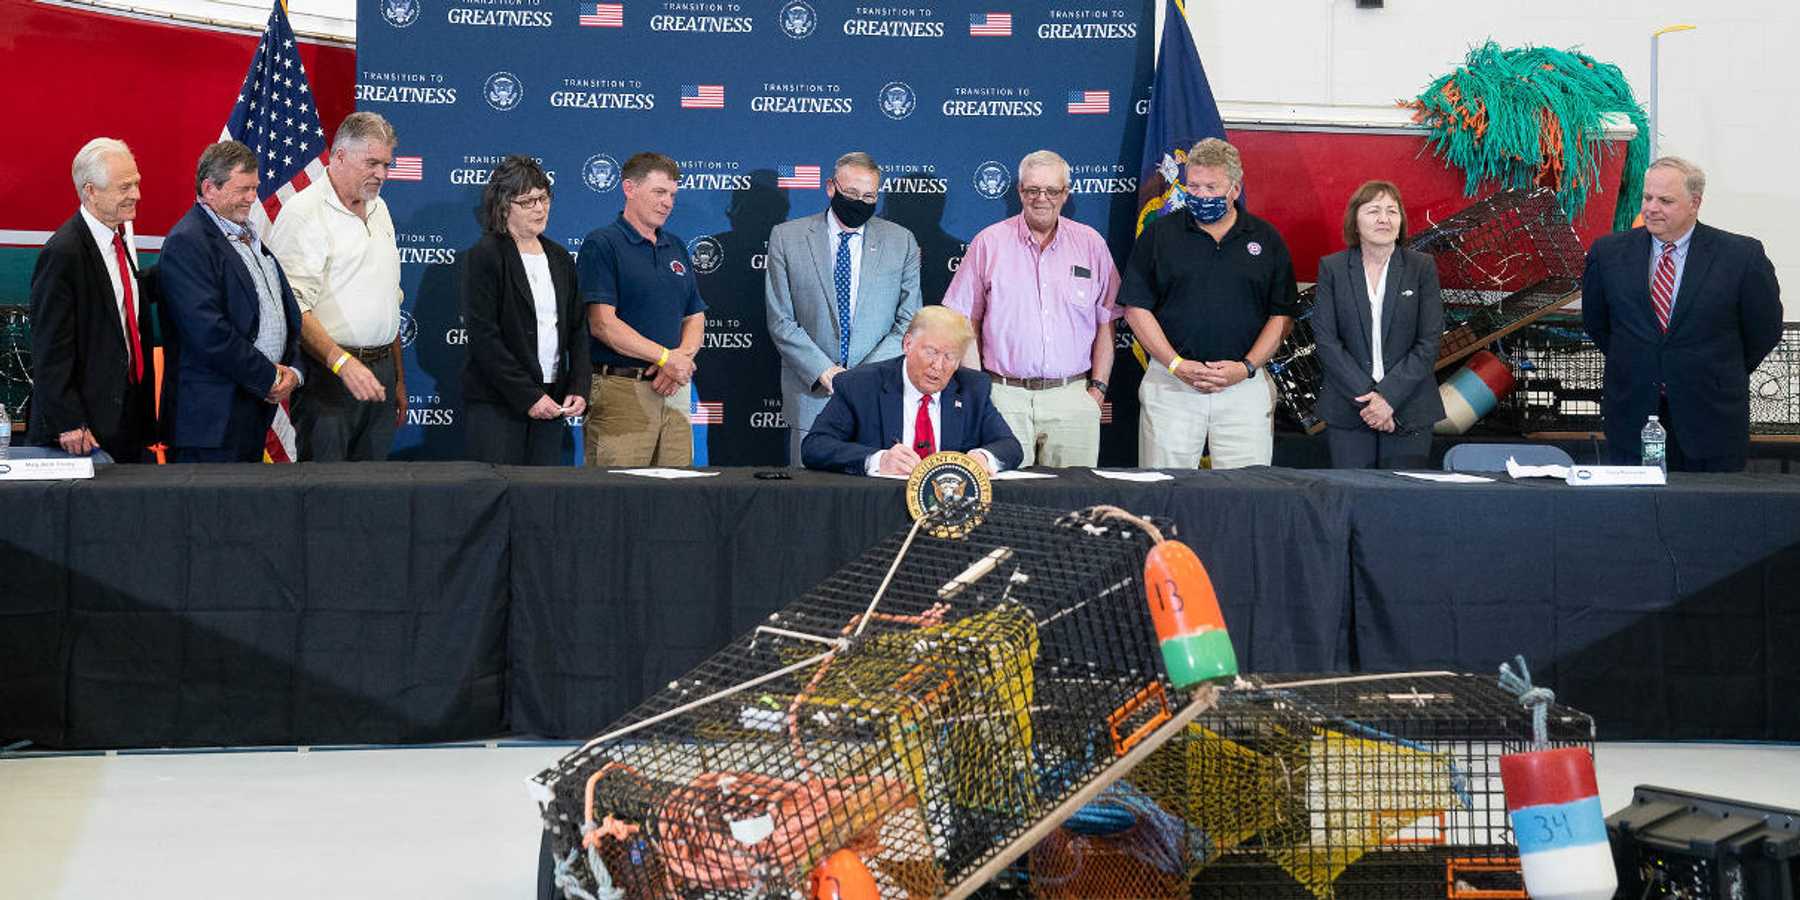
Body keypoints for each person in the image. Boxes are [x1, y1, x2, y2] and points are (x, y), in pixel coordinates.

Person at [1582, 156, 1782, 471]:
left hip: (1711, 423)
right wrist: (1645, 361)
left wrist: (1711, 370)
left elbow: (1764, 331)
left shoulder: (1741, 257)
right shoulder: (1607, 253)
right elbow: (1597, 324)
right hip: (1632, 419)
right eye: (1647, 197)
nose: (1651, 208)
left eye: (1665, 201)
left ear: (1695, 203)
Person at [1121, 137, 1298, 469]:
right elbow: (1135, 307)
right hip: (1172, 384)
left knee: (1248, 489)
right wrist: (1176, 364)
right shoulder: (1159, 235)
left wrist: (1245, 367)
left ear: (1234, 189)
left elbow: (1282, 315)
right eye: (1193, 186)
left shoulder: (1266, 239)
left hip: (1243, 387)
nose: (1200, 195)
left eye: (1211, 187)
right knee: (1165, 488)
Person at [943, 149, 1119, 468]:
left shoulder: (1091, 244)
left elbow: (1106, 321)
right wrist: (980, 390)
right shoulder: (989, 243)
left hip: (1073, 397)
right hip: (1004, 397)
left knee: (1075, 494)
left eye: (1052, 190)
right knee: (1008, 493)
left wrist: (1097, 389)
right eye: (1033, 190)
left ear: (1065, 194)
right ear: (1020, 191)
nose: (1042, 198)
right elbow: (964, 319)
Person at [765, 151, 921, 465]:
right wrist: (825, 372)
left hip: (877, 396)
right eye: (851, 193)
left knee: (874, 490)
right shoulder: (787, 237)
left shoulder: (901, 241)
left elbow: (909, 320)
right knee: (808, 490)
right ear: (830, 187)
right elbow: (781, 319)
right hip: (812, 395)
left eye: (869, 196)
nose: (859, 202)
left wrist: (862, 378)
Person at [266, 111, 405, 461]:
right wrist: (343, 364)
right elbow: (293, 308)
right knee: (327, 487)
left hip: (381, 373)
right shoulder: (303, 212)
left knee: (372, 486)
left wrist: (398, 379)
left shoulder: (380, 208)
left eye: (386, 164)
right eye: (372, 163)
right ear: (339, 156)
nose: (382, 174)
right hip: (328, 376)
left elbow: (389, 300)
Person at [157, 141, 305, 462]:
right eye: (243, 189)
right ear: (209, 188)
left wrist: (293, 369)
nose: (252, 198)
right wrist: (269, 376)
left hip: (251, 409)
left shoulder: (248, 235)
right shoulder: (187, 242)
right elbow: (209, 333)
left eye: (255, 188)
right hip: (211, 422)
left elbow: (284, 310)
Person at [26, 137, 155, 462]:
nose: (136, 194)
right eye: (125, 187)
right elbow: (50, 348)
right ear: (91, 191)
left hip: (126, 420)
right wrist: (68, 421)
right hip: (82, 432)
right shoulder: (63, 253)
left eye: (136, 183)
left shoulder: (119, 240)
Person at [577, 152, 706, 466]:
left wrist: (679, 360)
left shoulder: (676, 246)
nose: (667, 203)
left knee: (678, 490)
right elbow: (603, 324)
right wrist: (664, 358)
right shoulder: (602, 243)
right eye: (659, 192)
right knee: (619, 491)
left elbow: (694, 316)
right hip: (622, 393)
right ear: (629, 188)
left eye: (672, 195)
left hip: (674, 391)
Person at [459, 156, 590, 465]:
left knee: (543, 491)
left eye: (544, 198)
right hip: (498, 402)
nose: (540, 208)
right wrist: (528, 396)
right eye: (528, 202)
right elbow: (484, 337)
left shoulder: (560, 258)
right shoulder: (485, 255)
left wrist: (579, 385)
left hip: (552, 399)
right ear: (504, 206)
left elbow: (577, 329)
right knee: (500, 489)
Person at [1310, 180, 1445, 469]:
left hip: (1409, 407)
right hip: (1349, 408)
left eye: (1392, 211)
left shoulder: (1421, 267)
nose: (1384, 219)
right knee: (1353, 493)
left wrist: (1388, 397)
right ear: (1355, 221)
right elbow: (1326, 340)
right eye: (1374, 211)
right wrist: (1370, 401)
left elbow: (1429, 341)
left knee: (1402, 495)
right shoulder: (1333, 268)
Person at [801, 306, 1022, 476]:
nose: (938, 366)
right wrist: (878, 460)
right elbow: (815, 446)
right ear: (907, 344)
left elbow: (1010, 447)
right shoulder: (860, 385)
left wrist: (982, 457)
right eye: (931, 352)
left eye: (950, 357)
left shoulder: (972, 389)